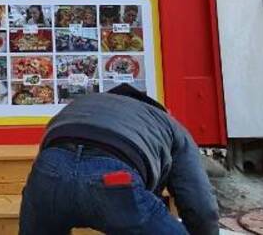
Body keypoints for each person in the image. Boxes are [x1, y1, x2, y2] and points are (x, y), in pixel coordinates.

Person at [19, 84, 219, 235]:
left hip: (48, 172)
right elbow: (200, 205)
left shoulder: (81, 105)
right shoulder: (168, 123)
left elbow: (52, 151)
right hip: (115, 178)